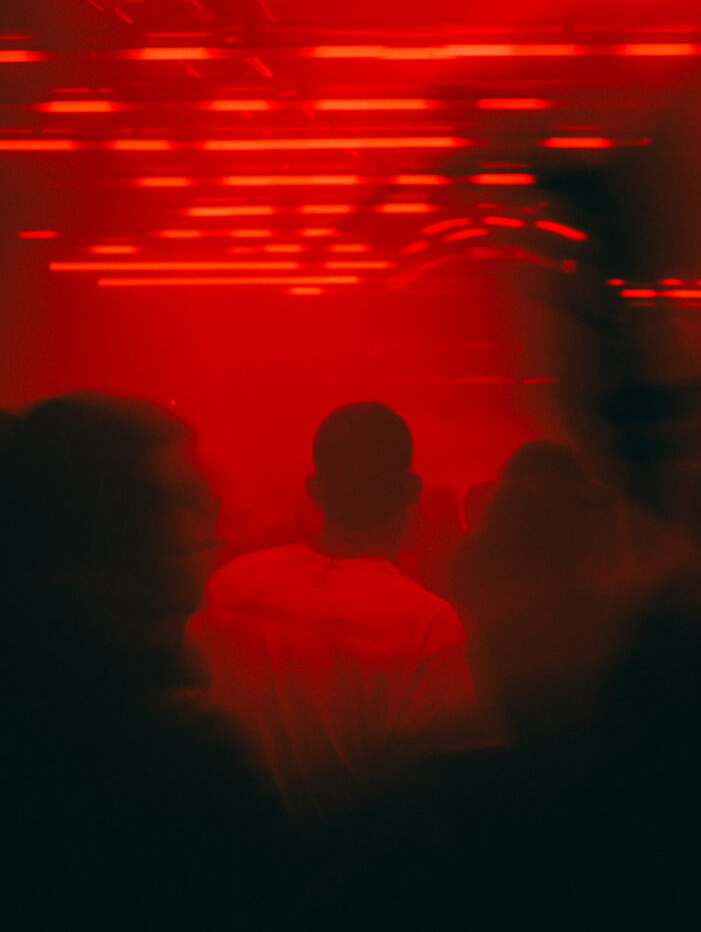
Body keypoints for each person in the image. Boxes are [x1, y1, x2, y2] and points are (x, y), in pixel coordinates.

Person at [0, 393, 293, 925]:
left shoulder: (35, 676)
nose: (212, 514)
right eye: (185, 496)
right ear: (108, 523)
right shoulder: (176, 745)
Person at [187, 402, 484, 823]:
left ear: (314, 489)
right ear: (411, 490)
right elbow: (436, 797)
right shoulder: (428, 626)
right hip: (353, 877)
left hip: (226, 858)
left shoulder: (229, 584)